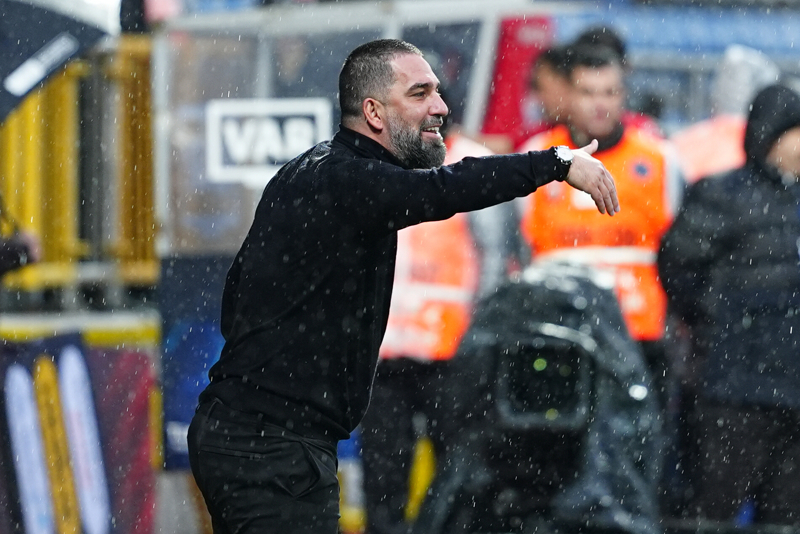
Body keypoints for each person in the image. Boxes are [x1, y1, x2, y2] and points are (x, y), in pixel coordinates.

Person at [187, 38, 619, 534]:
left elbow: (236, 299)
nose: (440, 107)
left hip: (259, 434)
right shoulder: (347, 179)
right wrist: (556, 164)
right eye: (420, 94)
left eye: (437, 91)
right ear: (373, 112)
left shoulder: (311, 169)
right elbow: (444, 189)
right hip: (270, 443)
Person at [517, 46, 682, 501]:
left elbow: (679, 253)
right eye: (588, 92)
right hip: (557, 339)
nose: (600, 103)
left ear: (624, 94)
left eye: (610, 92)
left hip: (637, 339)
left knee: (635, 460)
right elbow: (518, 252)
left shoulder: (659, 160)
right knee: (555, 464)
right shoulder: (536, 157)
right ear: (568, 95)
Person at [359, 124, 525, 534]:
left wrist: (481, 338)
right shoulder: (369, 163)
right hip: (385, 352)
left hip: (453, 352)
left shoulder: (474, 164)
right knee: (383, 476)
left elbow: (497, 259)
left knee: (460, 473)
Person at [658, 84, 800, 527]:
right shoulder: (721, 193)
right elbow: (678, 266)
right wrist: (722, 321)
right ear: (769, 136)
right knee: (711, 510)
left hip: (793, 392)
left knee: (785, 517)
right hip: (730, 388)